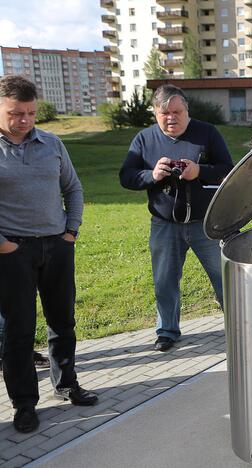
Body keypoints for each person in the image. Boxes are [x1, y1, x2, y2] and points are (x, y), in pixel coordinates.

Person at [0, 75, 98, 434]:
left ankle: (67, 383)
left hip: (57, 246)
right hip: (12, 252)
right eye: (15, 113)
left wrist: (71, 230)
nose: (24, 120)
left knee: (63, 321)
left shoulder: (52, 143)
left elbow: (72, 187)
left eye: (30, 113)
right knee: (19, 331)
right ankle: (24, 404)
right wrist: (3, 244)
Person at [119, 85, 233, 352]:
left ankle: (240, 325)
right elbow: (126, 176)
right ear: (156, 113)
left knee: (224, 277)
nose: (171, 117)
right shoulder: (144, 139)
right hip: (164, 224)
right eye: (164, 113)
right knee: (165, 280)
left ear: (187, 110)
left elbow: (228, 169)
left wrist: (199, 171)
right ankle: (167, 331)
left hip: (206, 223)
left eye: (177, 111)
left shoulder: (207, 133)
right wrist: (152, 175)